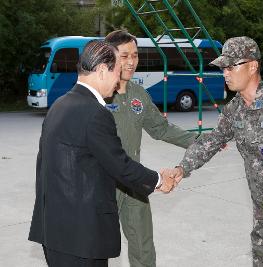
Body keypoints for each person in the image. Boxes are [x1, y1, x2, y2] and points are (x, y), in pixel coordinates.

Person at [168, 36, 263, 266]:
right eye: (223, 68)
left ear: (252, 66)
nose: (225, 73)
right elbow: (213, 140)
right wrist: (183, 167)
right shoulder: (234, 109)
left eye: (230, 67)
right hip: (261, 209)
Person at [28, 40, 175, 267]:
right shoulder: (95, 113)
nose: (118, 82)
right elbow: (120, 165)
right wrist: (158, 180)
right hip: (81, 238)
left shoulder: (59, 105)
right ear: (102, 70)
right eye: (117, 73)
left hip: (54, 230)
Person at [104, 30, 198, 267]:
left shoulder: (138, 95)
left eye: (135, 55)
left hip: (134, 182)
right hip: (102, 185)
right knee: (95, 247)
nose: (131, 61)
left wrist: (200, 142)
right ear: (108, 57)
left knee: (143, 247)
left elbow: (161, 129)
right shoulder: (98, 95)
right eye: (124, 55)